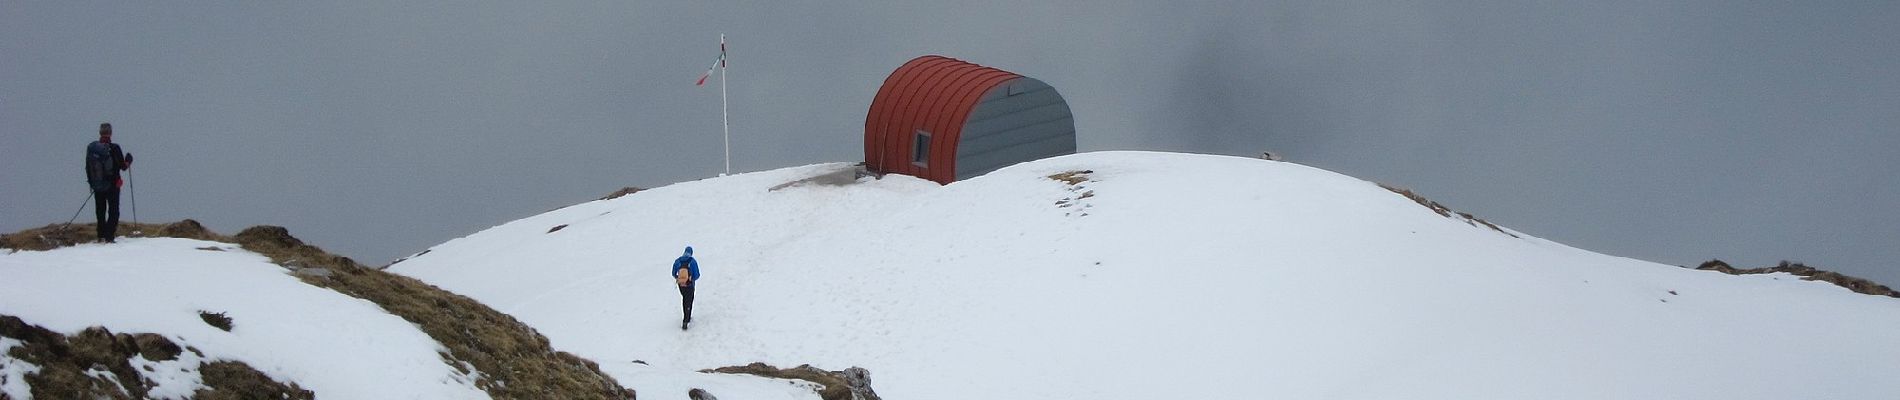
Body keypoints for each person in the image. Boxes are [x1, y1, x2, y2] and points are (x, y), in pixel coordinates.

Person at [85, 122, 132, 243]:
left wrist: (92, 182)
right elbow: (123, 166)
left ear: (100, 132)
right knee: (113, 210)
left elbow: (87, 167)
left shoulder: (92, 149)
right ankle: (109, 236)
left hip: (98, 185)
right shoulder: (114, 148)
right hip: (113, 185)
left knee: (100, 210)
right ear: (110, 133)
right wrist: (128, 160)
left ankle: (100, 235)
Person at [671, 246, 701, 330]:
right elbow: (697, 275)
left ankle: (686, 316)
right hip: (690, 285)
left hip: (681, 285)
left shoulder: (678, 261)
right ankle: (686, 319)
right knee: (689, 300)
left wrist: (679, 278)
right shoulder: (692, 261)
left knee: (685, 299)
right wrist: (691, 279)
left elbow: (673, 273)